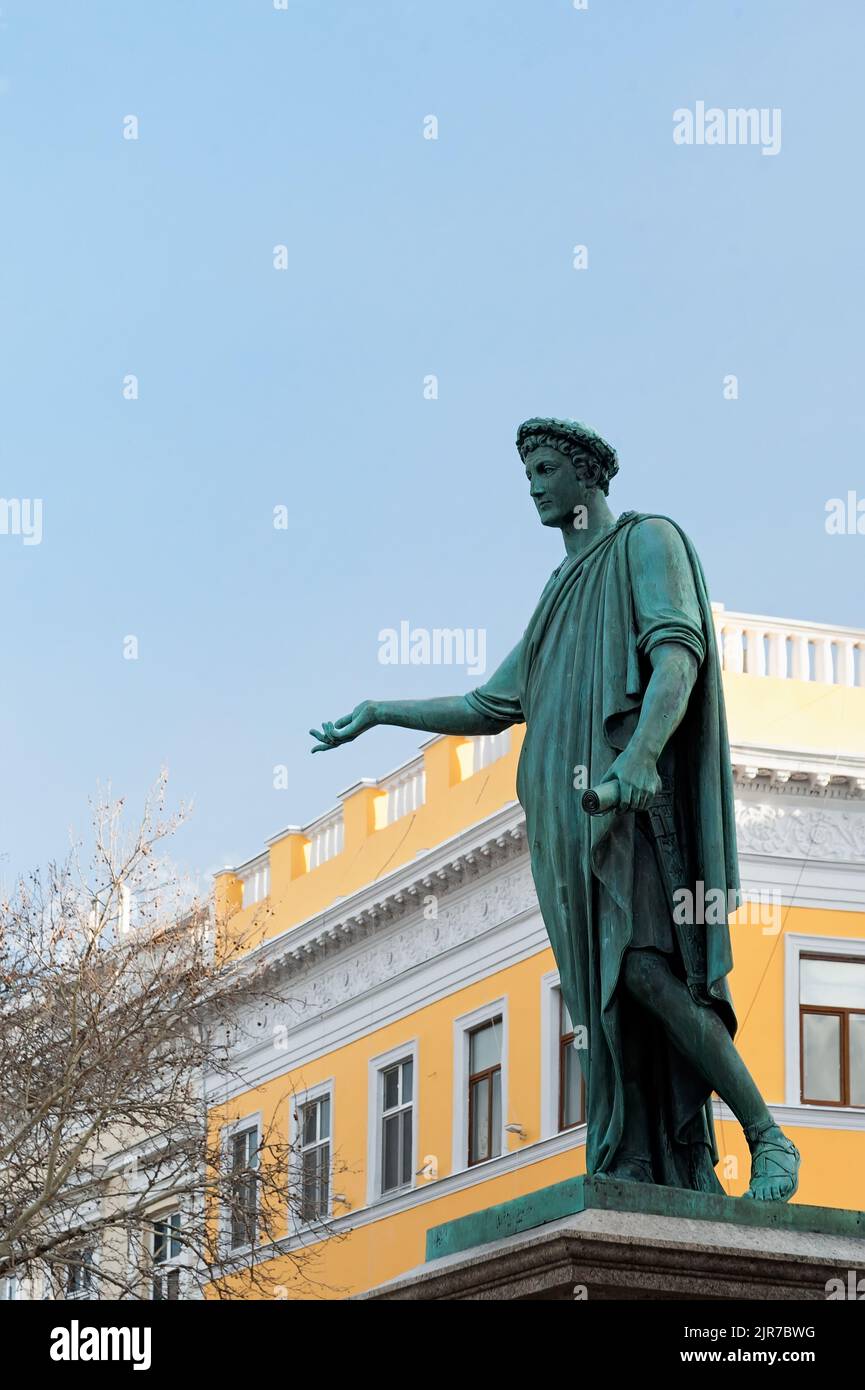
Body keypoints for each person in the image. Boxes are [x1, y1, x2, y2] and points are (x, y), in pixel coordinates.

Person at [310, 416, 800, 1200]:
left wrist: (639, 756)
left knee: (644, 970)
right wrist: (379, 710)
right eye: (527, 472)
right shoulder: (555, 597)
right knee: (605, 1002)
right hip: (563, 831)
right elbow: (486, 702)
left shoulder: (646, 540)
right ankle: (637, 1157)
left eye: (544, 468)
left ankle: (767, 1136)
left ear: (585, 474)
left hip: (626, 813)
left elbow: (677, 654)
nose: (533, 485)